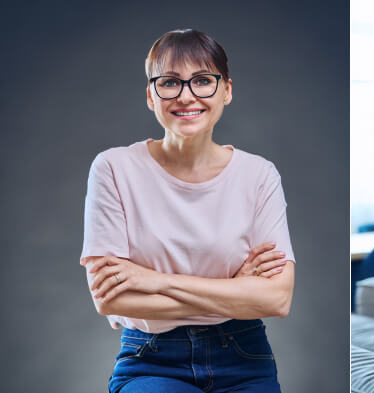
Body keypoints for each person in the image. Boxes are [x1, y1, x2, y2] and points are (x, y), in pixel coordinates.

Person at [79, 29, 295, 393]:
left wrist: (155, 280)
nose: (186, 95)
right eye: (170, 83)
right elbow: (110, 298)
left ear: (226, 90)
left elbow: (276, 298)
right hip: (150, 358)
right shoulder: (113, 168)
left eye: (202, 81)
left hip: (244, 355)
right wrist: (235, 291)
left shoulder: (259, 175)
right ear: (151, 95)